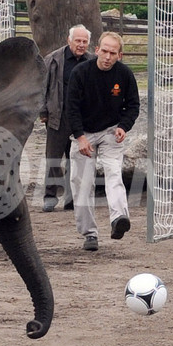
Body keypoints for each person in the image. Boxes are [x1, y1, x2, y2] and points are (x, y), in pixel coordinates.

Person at [64, 31, 140, 251]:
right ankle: (89, 234)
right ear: (96, 50)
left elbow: (133, 105)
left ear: (120, 55)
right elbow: (72, 107)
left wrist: (123, 127)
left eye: (112, 53)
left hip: (110, 131)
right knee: (82, 184)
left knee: (114, 173)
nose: (107, 56)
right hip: (83, 132)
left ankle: (119, 219)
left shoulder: (125, 75)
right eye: (104, 51)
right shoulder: (81, 73)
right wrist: (80, 137)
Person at [39, 25, 97, 212]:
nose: (81, 45)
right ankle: (50, 196)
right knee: (53, 158)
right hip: (58, 115)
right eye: (77, 41)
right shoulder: (53, 59)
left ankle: (72, 198)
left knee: (77, 159)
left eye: (84, 41)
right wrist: (43, 111)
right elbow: (42, 87)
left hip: (81, 118)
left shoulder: (92, 61)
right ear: (69, 40)